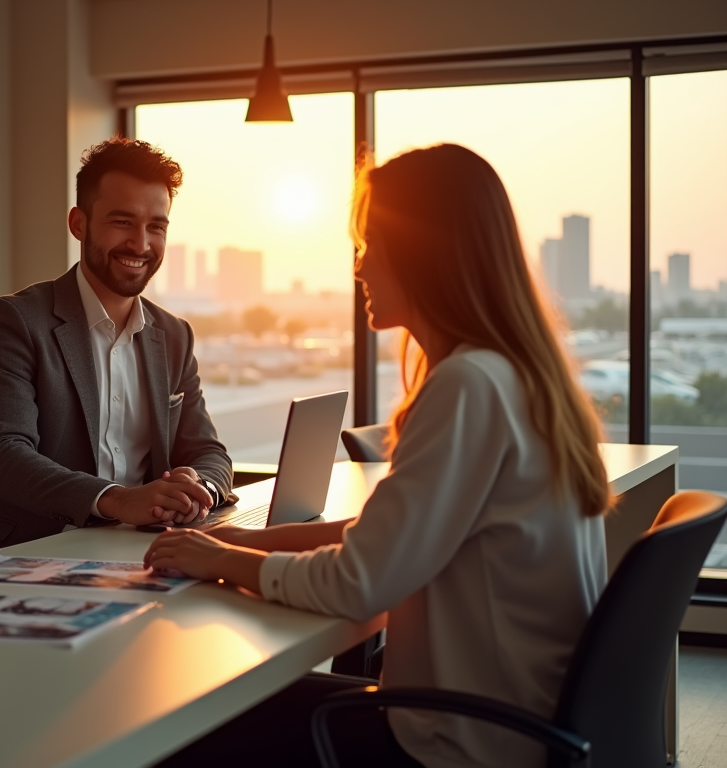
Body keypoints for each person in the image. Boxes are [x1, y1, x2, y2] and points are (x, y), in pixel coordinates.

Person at [145, 144, 612, 767]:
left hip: (462, 741)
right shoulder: (515, 376)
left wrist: (222, 563)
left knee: (188, 721)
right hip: (515, 720)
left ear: (422, 251)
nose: (359, 269)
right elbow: (384, 540)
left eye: (368, 246)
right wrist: (233, 548)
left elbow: (358, 583)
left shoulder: (467, 385)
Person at [0, 139, 234, 563]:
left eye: (157, 226)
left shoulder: (173, 335)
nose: (141, 243)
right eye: (122, 222)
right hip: (18, 556)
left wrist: (198, 489)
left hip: (132, 556)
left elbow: (208, 451)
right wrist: (116, 500)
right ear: (79, 223)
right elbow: (2, 455)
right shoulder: (16, 320)